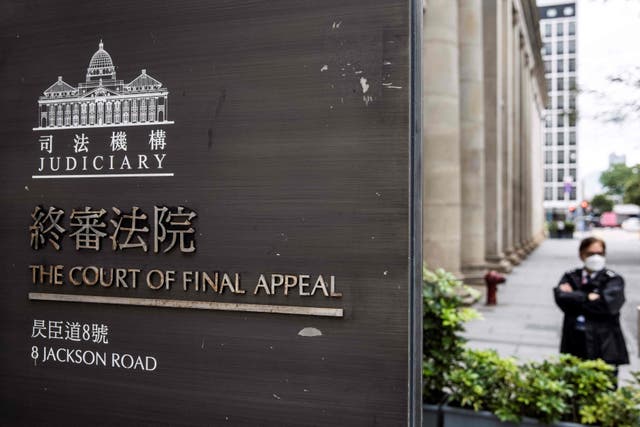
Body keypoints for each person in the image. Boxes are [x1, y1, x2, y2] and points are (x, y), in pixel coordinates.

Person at [553, 236, 629, 378]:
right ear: (581, 255)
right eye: (590, 254)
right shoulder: (570, 276)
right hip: (574, 342)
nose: (595, 257)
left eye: (599, 254)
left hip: (604, 344)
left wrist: (575, 296)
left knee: (604, 387)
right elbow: (561, 298)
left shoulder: (613, 279)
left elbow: (607, 306)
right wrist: (588, 297)